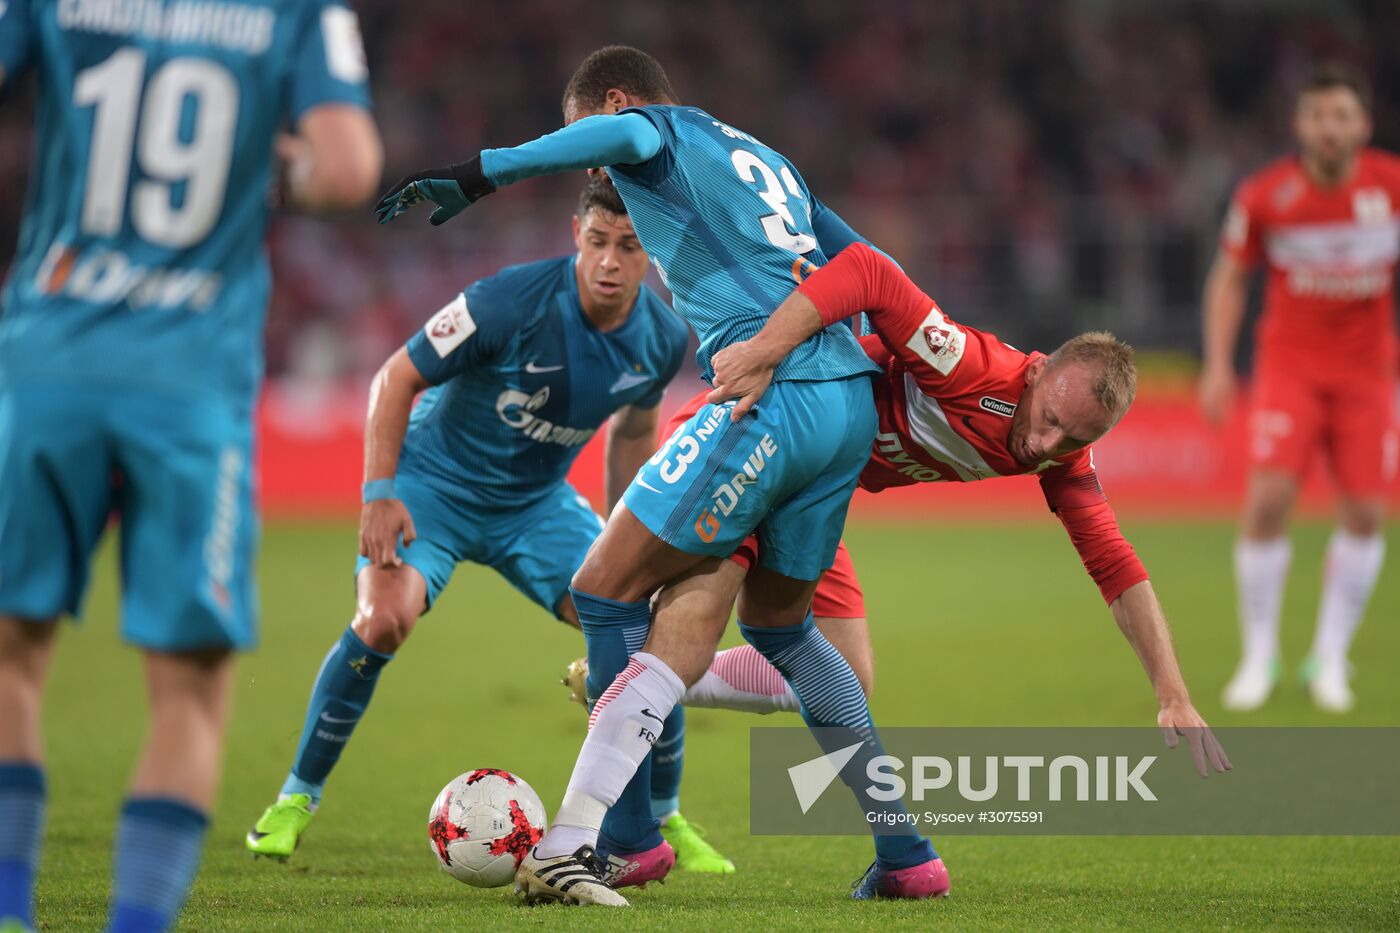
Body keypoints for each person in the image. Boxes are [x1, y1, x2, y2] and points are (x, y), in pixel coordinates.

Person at [376, 45, 940, 905]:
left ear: (613, 104)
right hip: (844, 403)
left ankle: (626, 841)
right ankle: (908, 856)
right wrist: (919, 356)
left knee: (602, 588)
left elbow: (610, 139)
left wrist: (479, 173)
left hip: (768, 396)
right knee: (785, 631)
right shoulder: (767, 163)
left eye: (590, 137)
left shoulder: (655, 131)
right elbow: (868, 265)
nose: (596, 160)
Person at [0, 3, 382, 931]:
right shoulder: (296, 12)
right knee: (188, 687)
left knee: (12, 650)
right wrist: (262, 161)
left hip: (48, 353)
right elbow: (345, 169)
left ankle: (9, 911)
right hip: (189, 382)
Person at [244, 177, 734, 877]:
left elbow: (633, 427)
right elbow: (393, 378)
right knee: (383, 620)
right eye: (597, 242)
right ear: (576, 235)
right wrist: (379, 491)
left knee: (645, 630)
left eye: (628, 247)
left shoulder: (658, 338)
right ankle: (296, 795)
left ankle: (663, 818)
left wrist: (634, 544)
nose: (609, 262)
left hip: (534, 504)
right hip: (430, 485)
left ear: (649, 253)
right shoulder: (507, 300)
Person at [691, 242, 1231, 787]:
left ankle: (662, 681)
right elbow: (866, 270)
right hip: (756, 435)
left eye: (1074, 438)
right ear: (1036, 371)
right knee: (679, 613)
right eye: (1049, 419)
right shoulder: (969, 364)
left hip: (812, 495)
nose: (1047, 445)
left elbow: (1116, 567)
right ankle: (634, 755)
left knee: (844, 675)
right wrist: (762, 351)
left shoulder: (1066, 460)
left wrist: (1173, 694)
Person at [1200, 62, 1400, 713]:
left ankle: (1330, 654)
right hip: (1290, 367)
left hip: (1369, 373)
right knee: (1268, 499)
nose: (1330, 128)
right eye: (1318, 115)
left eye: (1342, 115)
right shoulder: (1265, 195)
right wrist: (1217, 364)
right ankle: (1259, 654)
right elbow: (1229, 279)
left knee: (1368, 512)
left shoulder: (1391, 188)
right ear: (1299, 124)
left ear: (1364, 124)